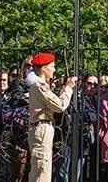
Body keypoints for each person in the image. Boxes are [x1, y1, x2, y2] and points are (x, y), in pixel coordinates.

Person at [26, 52, 75, 182]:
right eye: (52, 66)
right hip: (42, 128)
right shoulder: (39, 86)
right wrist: (68, 88)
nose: (54, 69)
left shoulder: (41, 85)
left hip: (42, 127)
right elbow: (60, 105)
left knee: (41, 169)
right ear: (43, 68)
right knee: (41, 172)